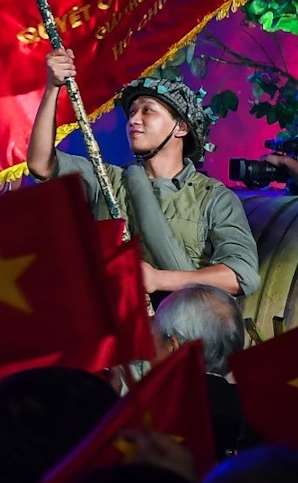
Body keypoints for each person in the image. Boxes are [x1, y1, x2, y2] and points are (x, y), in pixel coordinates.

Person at [28, 53, 260, 299]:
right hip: (115, 326)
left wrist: (159, 280)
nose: (134, 120)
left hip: (178, 331)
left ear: (180, 127)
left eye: (148, 111)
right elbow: (41, 164)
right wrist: (53, 88)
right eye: (132, 112)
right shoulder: (108, 181)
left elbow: (241, 275)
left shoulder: (213, 197)